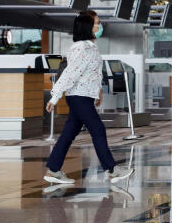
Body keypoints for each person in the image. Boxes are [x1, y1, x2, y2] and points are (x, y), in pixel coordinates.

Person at [44, 11, 133, 186]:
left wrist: (98, 91)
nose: (99, 27)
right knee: (98, 130)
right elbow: (71, 73)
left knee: (69, 133)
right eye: (96, 23)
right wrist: (54, 97)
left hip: (84, 96)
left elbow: (91, 73)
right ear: (87, 27)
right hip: (79, 97)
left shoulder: (90, 47)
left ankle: (53, 170)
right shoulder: (82, 49)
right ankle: (112, 170)